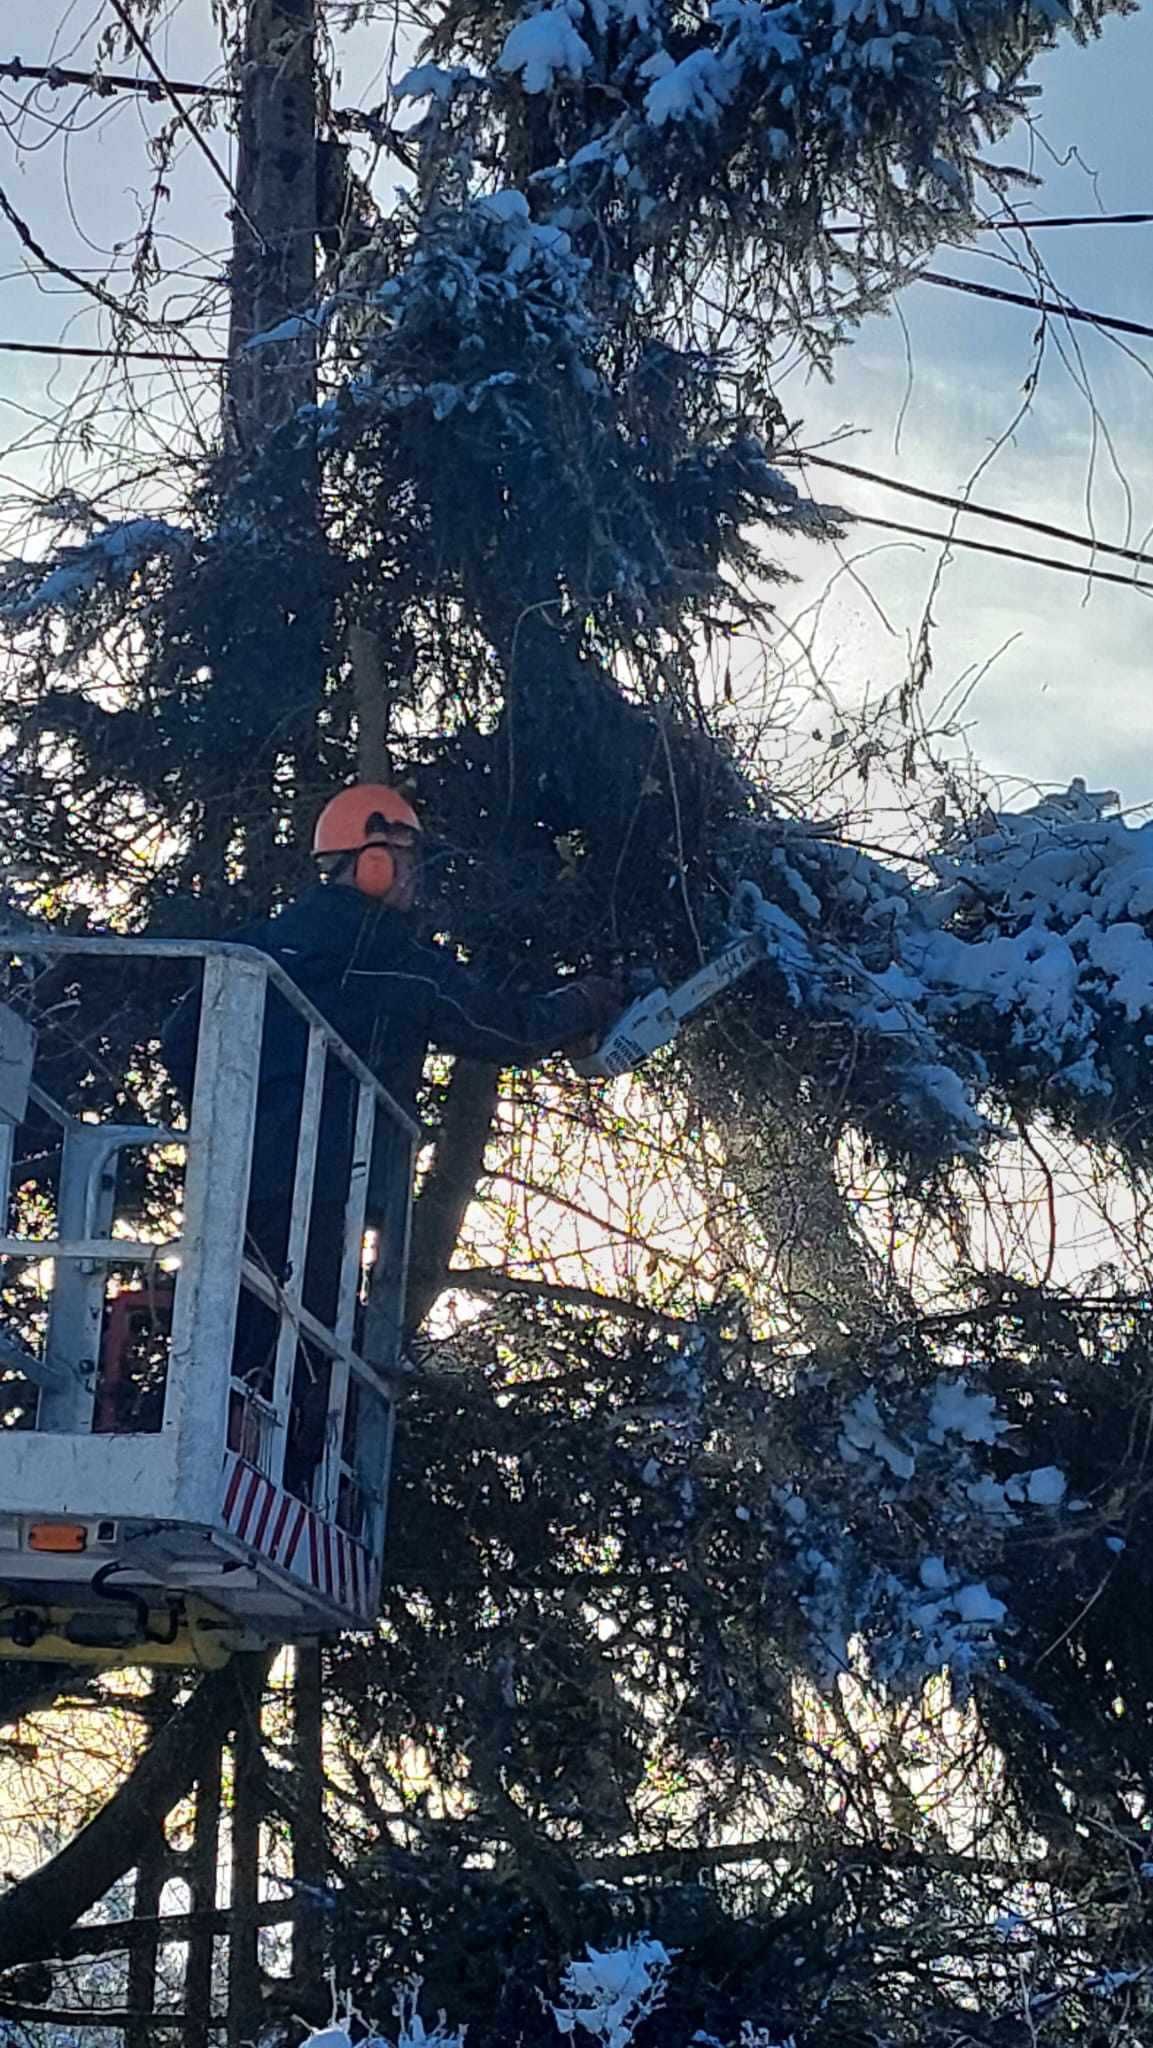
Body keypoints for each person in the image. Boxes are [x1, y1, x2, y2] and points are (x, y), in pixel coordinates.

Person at [161, 784, 621, 1496]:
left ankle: (204, 1459)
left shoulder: (250, 948)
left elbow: (177, 1043)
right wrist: (588, 1000)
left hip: (236, 1175)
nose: (413, 880)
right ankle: (257, 1481)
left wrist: (242, 1114)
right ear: (369, 861)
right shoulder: (396, 959)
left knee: (230, 1326)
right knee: (304, 1344)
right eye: (405, 860)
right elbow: (505, 1026)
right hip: (325, 1190)